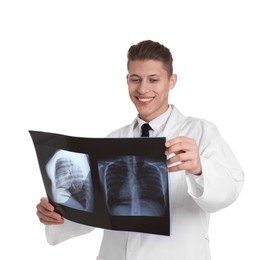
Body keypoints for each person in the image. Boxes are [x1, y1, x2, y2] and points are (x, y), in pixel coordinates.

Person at [36, 40, 244, 260]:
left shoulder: (200, 132)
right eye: (135, 79)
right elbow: (92, 209)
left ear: (171, 81)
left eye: (153, 79)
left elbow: (231, 188)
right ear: (127, 80)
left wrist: (201, 169)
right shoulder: (112, 140)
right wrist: (58, 213)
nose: (143, 89)